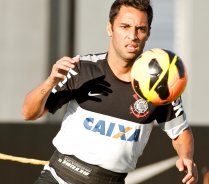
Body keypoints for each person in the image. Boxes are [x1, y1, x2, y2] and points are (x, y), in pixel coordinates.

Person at [22, 0, 198, 183]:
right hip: (58, 178)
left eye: (141, 29)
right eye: (125, 26)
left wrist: (186, 157)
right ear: (110, 29)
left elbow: (180, 133)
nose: (133, 35)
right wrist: (50, 82)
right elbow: (29, 113)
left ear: (148, 34)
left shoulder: (160, 84)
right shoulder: (82, 69)